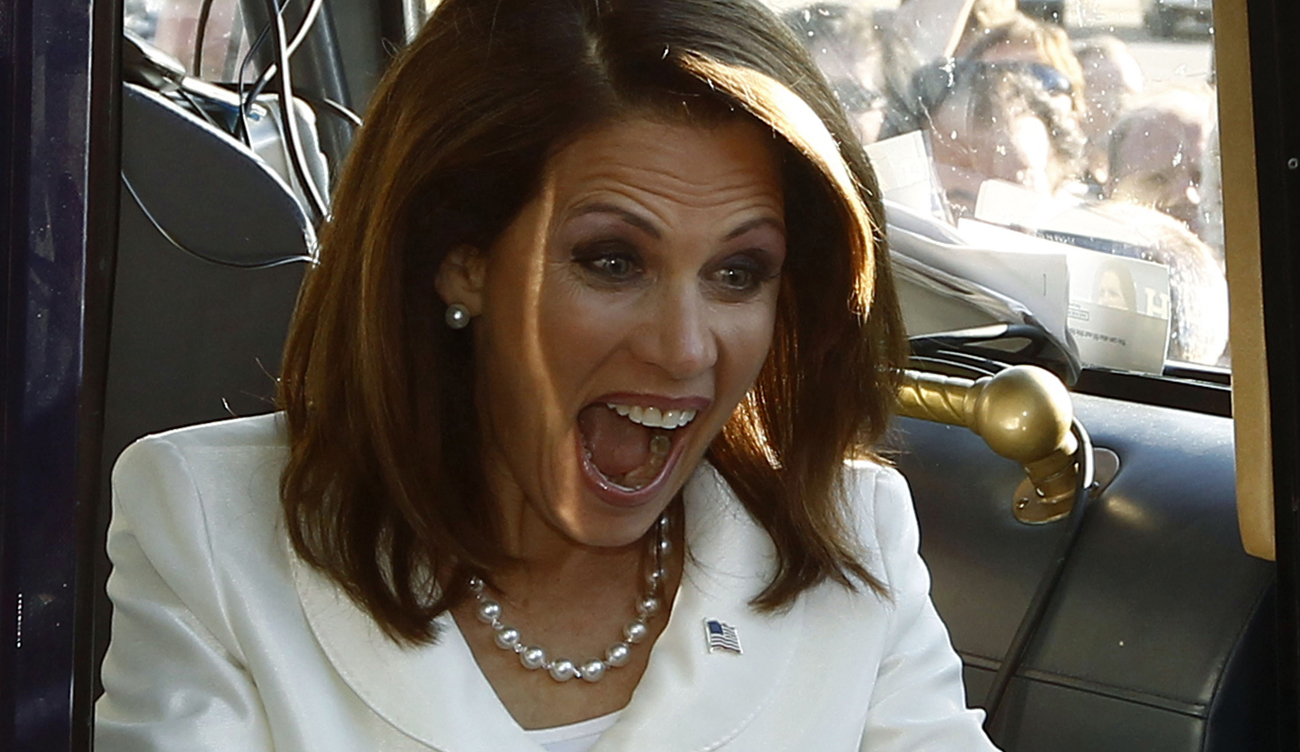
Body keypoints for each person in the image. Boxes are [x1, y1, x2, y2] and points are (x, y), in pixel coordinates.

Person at [94, 0, 1001, 750]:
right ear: (461, 258)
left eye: (738, 273)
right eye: (612, 261)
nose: (685, 349)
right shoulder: (212, 524)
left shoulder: (852, 545)